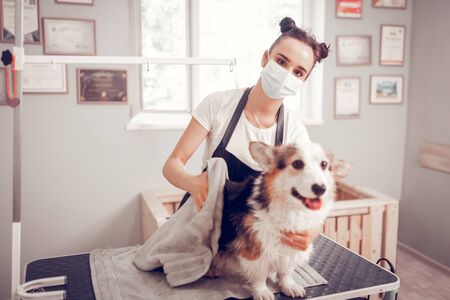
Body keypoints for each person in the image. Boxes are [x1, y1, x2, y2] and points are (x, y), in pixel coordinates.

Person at [162, 17, 330, 252]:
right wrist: (192, 183)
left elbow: (309, 193)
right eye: (281, 61)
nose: (287, 74)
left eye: (298, 72)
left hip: (250, 241)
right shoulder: (218, 104)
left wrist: (311, 232)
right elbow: (172, 164)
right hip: (200, 231)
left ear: (303, 81)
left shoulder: (294, 131)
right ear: (265, 58)